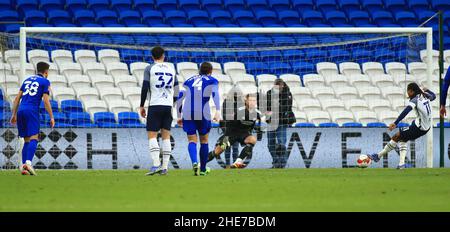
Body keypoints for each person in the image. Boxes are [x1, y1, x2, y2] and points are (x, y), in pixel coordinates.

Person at [368, 83, 436, 169]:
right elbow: (434, 96)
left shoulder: (415, 100)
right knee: (403, 138)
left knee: (397, 136)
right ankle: (401, 164)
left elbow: (406, 111)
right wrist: (427, 90)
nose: (407, 93)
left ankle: (378, 156)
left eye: (408, 91)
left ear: (411, 91)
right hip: (424, 126)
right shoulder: (426, 95)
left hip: (419, 127)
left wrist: (395, 123)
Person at [10, 61, 55, 175]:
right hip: (31, 111)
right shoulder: (45, 81)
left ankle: (24, 167)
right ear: (46, 72)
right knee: (34, 137)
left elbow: (17, 99)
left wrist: (13, 114)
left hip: (21, 110)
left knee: (26, 140)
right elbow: (45, 101)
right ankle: (29, 163)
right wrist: (51, 117)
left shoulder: (27, 80)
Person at [139, 46, 178, 176]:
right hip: (168, 106)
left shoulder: (149, 68)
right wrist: (173, 105)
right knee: (166, 136)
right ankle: (165, 167)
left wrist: (141, 105)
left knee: (152, 135)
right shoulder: (171, 68)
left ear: (152, 56)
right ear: (163, 56)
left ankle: (156, 164)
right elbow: (177, 90)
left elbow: (145, 87)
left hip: (155, 105)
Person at [177, 62, 220, 176]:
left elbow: (180, 96)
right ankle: (203, 169)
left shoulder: (189, 80)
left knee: (192, 140)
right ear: (210, 71)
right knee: (204, 141)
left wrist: (178, 114)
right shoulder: (212, 80)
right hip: (203, 112)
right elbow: (215, 94)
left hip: (187, 111)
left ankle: (195, 162)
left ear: (199, 70)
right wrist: (218, 110)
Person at [207, 93, 262, 168]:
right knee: (216, 152)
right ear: (246, 101)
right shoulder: (239, 111)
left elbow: (259, 123)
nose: (252, 102)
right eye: (250, 100)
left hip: (244, 134)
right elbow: (229, 121)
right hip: (231, 134)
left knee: (253, 140)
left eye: (254, 100)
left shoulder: (257, 113)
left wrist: (260, 132)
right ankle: (202, 163)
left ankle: (238, 161)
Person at [265, 79, 293, 168]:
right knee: (270, 144)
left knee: (281, 144)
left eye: (279, 87)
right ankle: (276, 162)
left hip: (281, 122)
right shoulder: (269, 93)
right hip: (271, 122)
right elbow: (266, 106)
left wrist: (273, 110)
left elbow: (286, 107)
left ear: (282, 86)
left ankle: (282, 164)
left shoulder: (287, 94)